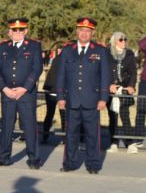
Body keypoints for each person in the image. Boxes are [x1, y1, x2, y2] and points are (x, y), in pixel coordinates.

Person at [56, 17, 110, 174]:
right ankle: (70, 163)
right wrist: (60, 97)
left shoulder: (100, 51)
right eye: (81, 30)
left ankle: (93, 164)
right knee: (71, 134)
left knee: (92, 135)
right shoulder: (67, 51)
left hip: (92, 101)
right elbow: (61, 76)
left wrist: (103, 98)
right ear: (77, 31)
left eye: (87, 31)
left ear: (92, 33)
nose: (84, 33)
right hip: (72, 100)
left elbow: (105, 77)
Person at [0, 18, 43, 168]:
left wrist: (24, 88)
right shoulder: (3, 47)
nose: (17, 33)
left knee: (29, 126)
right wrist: (4, 88)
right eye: (14, 30)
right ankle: (4, 157)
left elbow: (36, 69)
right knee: (6, 126)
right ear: (9, 32)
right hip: (7, 93)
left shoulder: (34, 46)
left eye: (21, 30)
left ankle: (34, 159)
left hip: (26, 94)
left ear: (26, 31)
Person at [106, 32, 137, 152]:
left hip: (124, 89)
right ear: (114, 41)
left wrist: (131, 86)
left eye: (125, 39)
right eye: (120, 40)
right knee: (112, 117)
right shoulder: (107, 53)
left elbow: (133, 72)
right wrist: (109, 85)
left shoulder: (129, 54)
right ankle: (113, 142)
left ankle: (129, 143)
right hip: (111, 91)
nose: (123, 41)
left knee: (125, 116)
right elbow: (104, 71)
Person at [41, 48, 66, 144]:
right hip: (57, 91)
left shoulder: (58, 59)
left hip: (51, 90)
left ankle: (45, 136)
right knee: (63, 115)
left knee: (50, 114)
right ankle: (64, 137)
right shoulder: (65, 59)